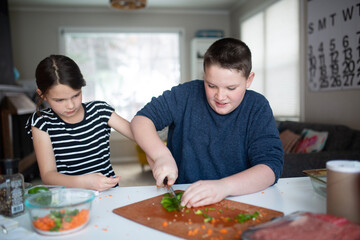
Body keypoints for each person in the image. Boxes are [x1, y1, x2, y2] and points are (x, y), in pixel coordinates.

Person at [131, 37, 284, 208]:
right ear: (204, 75)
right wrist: (161, 155)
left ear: (249, 80)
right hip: (184, 200)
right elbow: (141, 120)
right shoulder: (185, 94)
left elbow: (270, 168)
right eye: (211, 85)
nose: (220, 96)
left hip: (241, 200)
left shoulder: (258, 107)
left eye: (231, 88)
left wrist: (224, 187)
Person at [26, 55, 134, 192]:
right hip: (69, 197)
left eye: (76, 95)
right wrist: (83, 182)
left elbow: (139, 134)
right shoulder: (42, 122)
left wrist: (159, 155)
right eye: (59, 100)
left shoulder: (100, 111)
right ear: (42, 95)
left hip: (108, 193)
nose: (70, 105)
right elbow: (48, 175)